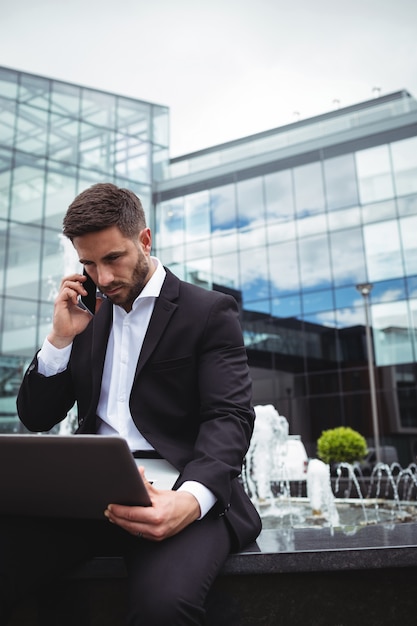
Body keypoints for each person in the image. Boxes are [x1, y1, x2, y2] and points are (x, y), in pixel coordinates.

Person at [7, 183, 261, 625]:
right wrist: (60, 339)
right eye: (88, 263)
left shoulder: (209, 312)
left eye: (112, 259)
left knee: (165, 607)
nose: (101, 279)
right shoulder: (87, 313)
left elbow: (230, 416)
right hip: (87, 492)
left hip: (179, 486)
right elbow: (36, 416)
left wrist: (189, 500)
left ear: (144, 240)